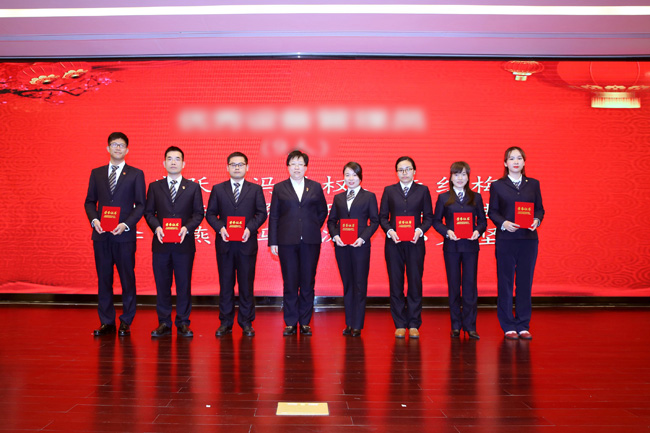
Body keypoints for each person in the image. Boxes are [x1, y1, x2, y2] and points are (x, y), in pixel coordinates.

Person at [84, 132, 146, 336]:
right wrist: (94, 220)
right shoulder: (97, 173)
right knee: (104, 279)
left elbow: (141, 205)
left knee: (127, 279)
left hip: (124, 236)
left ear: (127, 150)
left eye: (121, 145)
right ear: (108, 148)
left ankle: (126, 320)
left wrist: (126, 224)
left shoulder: (136, 174)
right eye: (114, 144)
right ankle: (107, 321)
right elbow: (90, 201)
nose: (118, 148)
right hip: (101, 235)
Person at [144, 146, 204, 338]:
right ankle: (164, 322)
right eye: (169, 158)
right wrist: (157, 227)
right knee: (162, 284)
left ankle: (183, 322)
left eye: (177, 159)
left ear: (183, 163)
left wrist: (187, 227)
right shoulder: (155, 187)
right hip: (161, 244)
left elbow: (198, 214)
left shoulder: (193, 187)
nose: (173, 162)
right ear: (164, 163)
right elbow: (148, 213)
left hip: (184, 245)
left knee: (183, 284)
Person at [206, 152, 267, 338]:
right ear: (227, 167)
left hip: (246, 243)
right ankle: (225, 322)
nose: (237, 167)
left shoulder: (255, 189)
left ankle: (246, 322)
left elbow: (261, 213)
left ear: (247, 167)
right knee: (226, 284)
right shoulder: (218, 189)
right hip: (225, 244)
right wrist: (220, 228)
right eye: (233, 164)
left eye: (241, 164)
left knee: (246, 284)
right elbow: (210, 214)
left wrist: (250, 228)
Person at [268, 150, 328, 336]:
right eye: (293, 164)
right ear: (288, 167)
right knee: (290, 281)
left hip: (310, 241)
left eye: (300, 164)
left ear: (306, 167)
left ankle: (305, 322)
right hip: (286, 241)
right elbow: (274, 216)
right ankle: (290, 322)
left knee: (308, 281)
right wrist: (273, 241)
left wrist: (311, 226)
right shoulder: (279, 188)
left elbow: (322, 212)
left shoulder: (315, 187)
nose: (297, 167)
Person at [488, 147, 545, 340]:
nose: (515, 161)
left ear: (524, 162)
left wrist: (537, 220)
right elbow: (493, 211)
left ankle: (523, 324)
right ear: (505, 163)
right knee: (505, 282)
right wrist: (503, 223)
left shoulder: (533, 184)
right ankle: (508, 325)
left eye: (519, 158)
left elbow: (539, 209)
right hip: (506, 240)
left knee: (524, 283)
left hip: (528, 240)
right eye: (511, 158)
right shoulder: (497, 185)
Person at [379, 156, 434, 339]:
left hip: (415, 243)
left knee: (415, 282)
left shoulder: (423, 190)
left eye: (408, 169)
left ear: (414, 171)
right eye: (401, 170)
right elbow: (383, 217)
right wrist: (390, 231)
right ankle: (400, 324)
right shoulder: (389, 190)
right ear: (396, 172)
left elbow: (429, 217)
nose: (404, 173)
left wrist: (420, 230)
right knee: (396, 283)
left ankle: (414, 323)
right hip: (394, 243)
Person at [432, 161, 487, 340]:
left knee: (470, 286)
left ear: (468, 177)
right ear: (450, 177)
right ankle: (455, 325)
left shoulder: (476, 197)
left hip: (471, 247)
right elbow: (436, 221)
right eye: (456, 174)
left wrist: (478, 231)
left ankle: (470, 326)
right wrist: (447, 232)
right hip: (452, 247)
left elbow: (483, 221)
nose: (460, 178)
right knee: (454, 286)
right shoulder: (443, 198)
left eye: (463, 174)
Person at [327, 162, 379, 337]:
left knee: (359, 285)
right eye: (347, 175)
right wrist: (336, 236)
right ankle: (349, 322)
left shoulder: (369, 196)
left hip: (360, 247)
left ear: (360, 177)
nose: (351, 178)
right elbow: (331, 221)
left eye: (354, 175)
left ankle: (358, 324)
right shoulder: (338, 198)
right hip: (342, 247)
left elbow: (375, 221)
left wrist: (362, 238)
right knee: (348, 284)